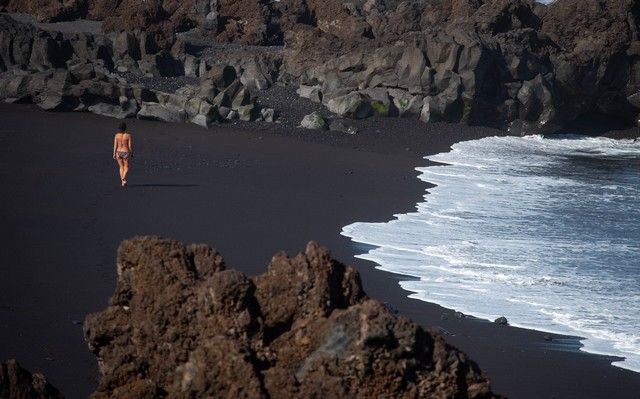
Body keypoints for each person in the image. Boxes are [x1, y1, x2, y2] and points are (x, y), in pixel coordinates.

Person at [113, 122, 133, 187]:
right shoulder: (128, 135)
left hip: (118, 152)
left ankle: (123, 182)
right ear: (125, 128)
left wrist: (114, 154)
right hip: (125, 152)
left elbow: (115, 146)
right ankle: (123, 178)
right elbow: (130, 146)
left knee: (121, 167)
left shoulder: (116, 135)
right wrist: (132, 153)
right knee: (126, 167)